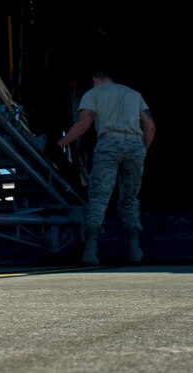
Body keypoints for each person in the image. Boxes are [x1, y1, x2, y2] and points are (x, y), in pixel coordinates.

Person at [58, 71, 155, 265]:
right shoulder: (134, 94)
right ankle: (135, 249)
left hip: (109, 145)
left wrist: (59, 145)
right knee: (129, 198)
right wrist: (142, 151)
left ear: (95, 79)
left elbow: (84, 124)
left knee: (99, 198)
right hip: (135, 146)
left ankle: (91, 250)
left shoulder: (93, 94)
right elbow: (150, 126)